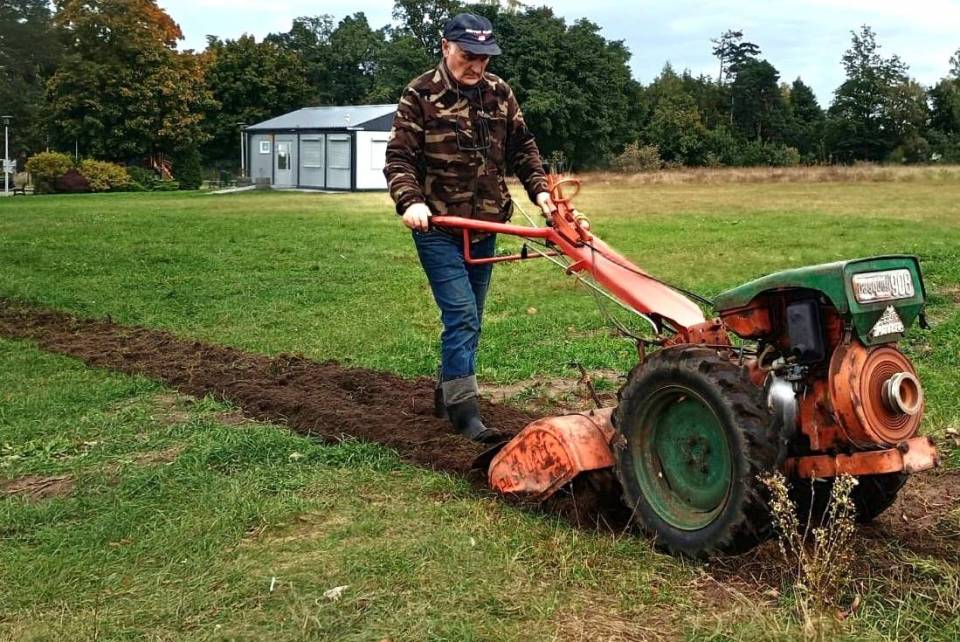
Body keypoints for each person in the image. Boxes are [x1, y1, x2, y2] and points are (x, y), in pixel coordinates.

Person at [384, 12, 556, 443]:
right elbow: (399, 158)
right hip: (439, 226)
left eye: (484, 57)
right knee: (461, 315)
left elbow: (523, 148)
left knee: (471, 317)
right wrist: (411, 201)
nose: (476, 66)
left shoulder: (499, 93)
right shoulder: (420, 94)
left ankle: (446, 395)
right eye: (468, 56)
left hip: (484, 225)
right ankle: (465, 414)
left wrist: (541, 192)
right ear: (445, 47)